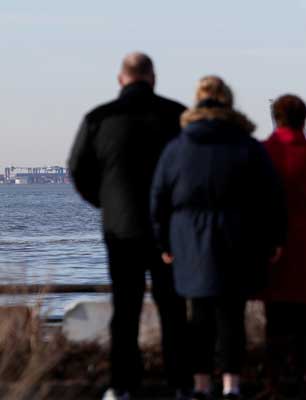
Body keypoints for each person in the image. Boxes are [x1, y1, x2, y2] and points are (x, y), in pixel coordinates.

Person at [150, 76, 287, 400]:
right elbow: (271, 197)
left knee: (198, 316)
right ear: (228, 102)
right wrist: (274, 239)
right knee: (231, 316)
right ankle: (231, 385)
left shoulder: (177, 148)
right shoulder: (247, 145)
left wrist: (163, 243)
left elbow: (158, 199)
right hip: (238, 238)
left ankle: (199, 384)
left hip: (189, 240)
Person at [68, 52, 192, 400]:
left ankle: (122, 384)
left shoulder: (98, 118)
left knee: (125, 309)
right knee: (173, 309)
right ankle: (181, 384)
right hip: (168, 228)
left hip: (120, 228)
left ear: (120, 79)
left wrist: (104, 201)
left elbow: (78, 169)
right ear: (153, 78)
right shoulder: (177, 116)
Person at [258, 95, 306, 399]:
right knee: (305, 320)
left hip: (271, 247)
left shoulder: (263, 153)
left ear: (276, 119)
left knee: (274, 320)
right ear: (305, 120)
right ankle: (305, 378)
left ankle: (274, 381)